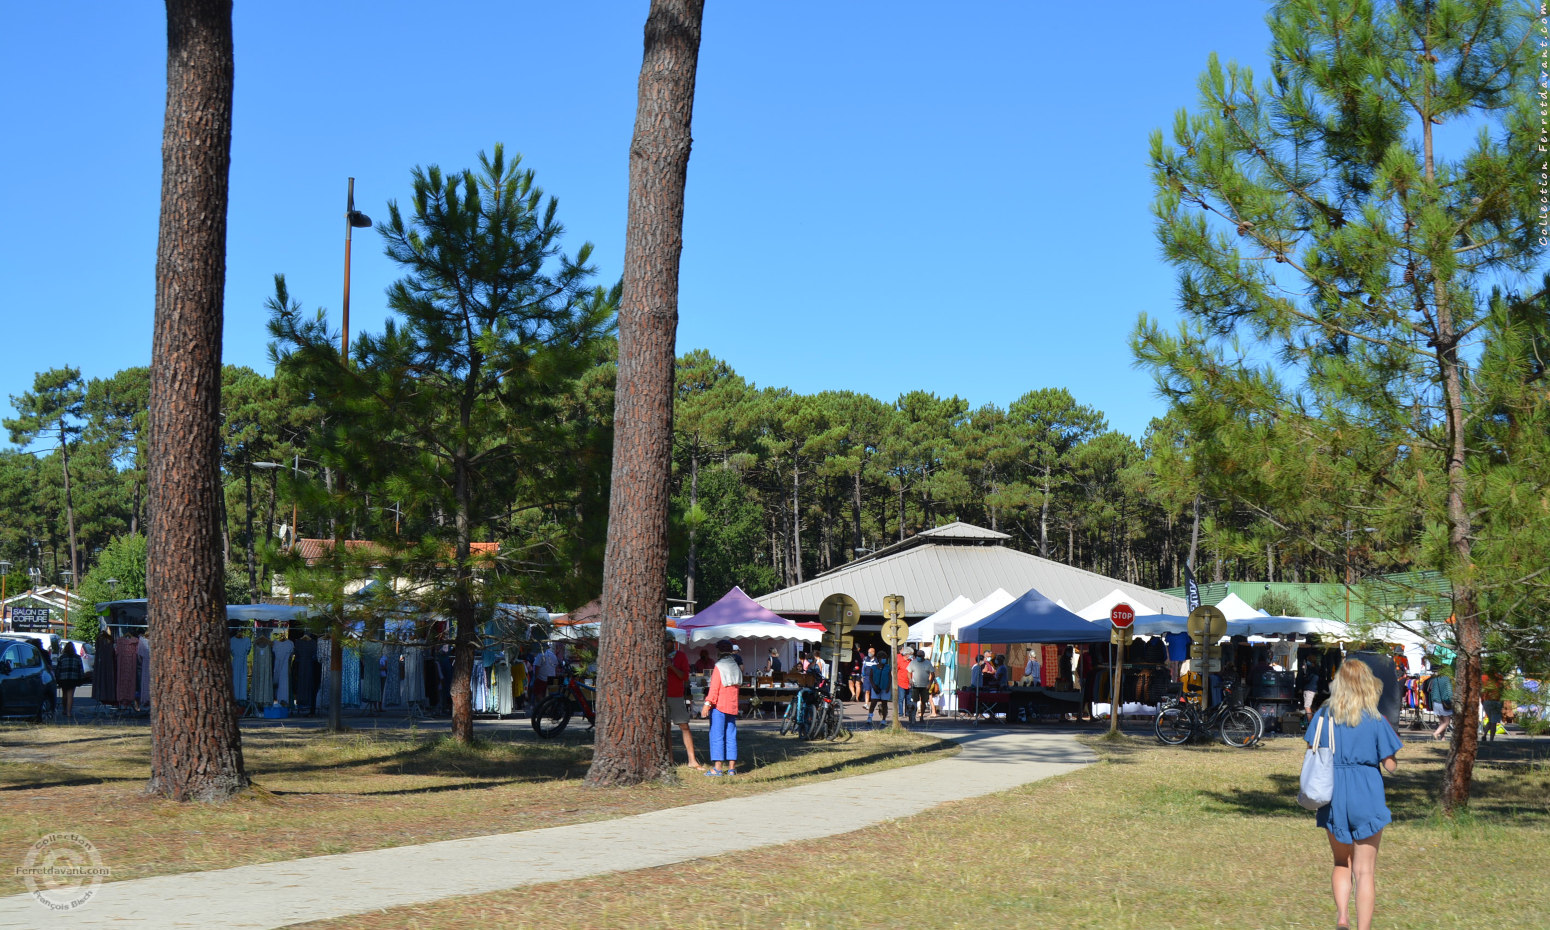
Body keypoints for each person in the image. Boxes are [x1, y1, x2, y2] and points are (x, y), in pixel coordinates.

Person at [1306, 659, 1401, 930]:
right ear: (1367, 685)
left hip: (1332, 792)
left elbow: (1312, 747)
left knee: (1340, 862)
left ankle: (1342, 919)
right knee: (1365, 871)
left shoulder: (1324, 716)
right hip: (1367, 792)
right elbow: (1391, 765)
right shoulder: (1375, 718)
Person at [702, 639, 742, 776]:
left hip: (719, 705)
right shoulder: (735, 665)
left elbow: (714, 688)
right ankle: (732, 768)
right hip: (732, 705)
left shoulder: (719, 666)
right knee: (731, 736)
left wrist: (707, 704)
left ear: (718, 651)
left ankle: (717, 768)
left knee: (717, 736)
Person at [667, 639, 700, 769]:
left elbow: (684, 676)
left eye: (667, 641)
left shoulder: (680, 656)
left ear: (673, 642)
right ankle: (669, 760)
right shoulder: (657, 653)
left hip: (676, 695)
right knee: (665, 729)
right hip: (660, 696)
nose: (665, 644)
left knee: (684, 726)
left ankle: (692, 760)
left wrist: (671, 666)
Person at [54, 640, 85, 720]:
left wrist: (57, 677)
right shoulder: (77, 657)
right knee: (70, 695)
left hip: (63, 678)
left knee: (64, 695)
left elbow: (58, 669)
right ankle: (69, 712)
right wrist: (81, 678)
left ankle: (64, 709)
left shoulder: (62, 657)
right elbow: (80, 669)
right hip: (73, 678)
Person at [1428, 663, 1454, 740]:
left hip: (1436, 702)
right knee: (1446, 722)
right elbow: (1449, 691)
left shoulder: (1435, 679)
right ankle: (1436, 733)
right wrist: (1452, 700)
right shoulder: (1447, 679)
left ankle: (1443, 738)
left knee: (1441, 722)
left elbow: (1432, 692)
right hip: (1445, 702)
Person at [907, 649, 933, 723]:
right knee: (914, 701)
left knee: (924, 702)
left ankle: (921, 716)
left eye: (920, 656)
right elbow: (909, 672)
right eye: (918, 656)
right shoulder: (913, 662)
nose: (918, 657)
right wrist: (910, 679)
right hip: (915, 685)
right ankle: (913, 717)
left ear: (923, 656)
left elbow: (932, 674)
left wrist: (930, 683)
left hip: (925, 685)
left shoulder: (928, 663)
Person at [1480, 665, 1505, 743]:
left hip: (1486, 701)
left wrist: (1482, 700)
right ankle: (1491, 740)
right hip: (1496, 701)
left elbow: (1481, 690)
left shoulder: (1483, 677)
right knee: (1493, 721)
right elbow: (1502, 691)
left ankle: (1484, 735)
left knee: (1490, 720)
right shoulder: (1500, 677)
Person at [865, 652, 891, 724]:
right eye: (882, 658)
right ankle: (870, 717)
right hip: (876, 687)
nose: (884, 660)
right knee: (873, 702)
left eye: (885, 658)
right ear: (879, 659)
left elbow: (890, 677)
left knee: (884, 703)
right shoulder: (873, 667)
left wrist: (888, 687)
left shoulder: (888, 667)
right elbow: (870, 677)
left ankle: (884, 719)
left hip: (885, 688)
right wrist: (873, 686)